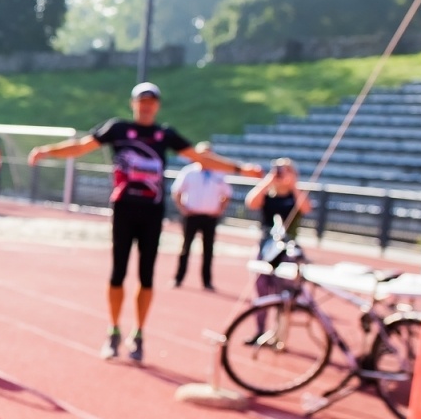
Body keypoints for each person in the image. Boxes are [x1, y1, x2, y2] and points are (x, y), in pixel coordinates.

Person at [29, 81, 258, 362]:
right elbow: (80, 147)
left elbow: (200, 157)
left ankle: (138, 333)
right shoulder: (118, 129)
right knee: (118, 273)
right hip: (124, 210)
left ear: (157, 105)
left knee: (146, 276)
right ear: (133, 104)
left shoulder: (164, 134)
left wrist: (240, 169)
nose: (146, 106)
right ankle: (113, 330)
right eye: (142, 101)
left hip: (151, 213)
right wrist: (46, 151)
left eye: (151, 101)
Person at [245, 158, 312, 335]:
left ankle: (279, 334)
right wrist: (268, 180)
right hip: (265, 247)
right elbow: (251, 202)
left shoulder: (295, 195)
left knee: (284, 292)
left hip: (288, 250)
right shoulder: (268, 194)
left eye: (285, 171)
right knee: (261, 289)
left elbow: (306, 208)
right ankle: (259, 331)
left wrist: (294, 185)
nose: (281, 174)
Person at [172, 141, 233, 291]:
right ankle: (178, 278)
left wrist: (220, 209)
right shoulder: (189, 172)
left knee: (208, 250)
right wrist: (183, 209)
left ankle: (207, 281)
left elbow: (227, 194)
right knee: (186, 248)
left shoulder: (218, 173)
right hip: (191, 216)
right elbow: (177, 192)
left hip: (210, 218)